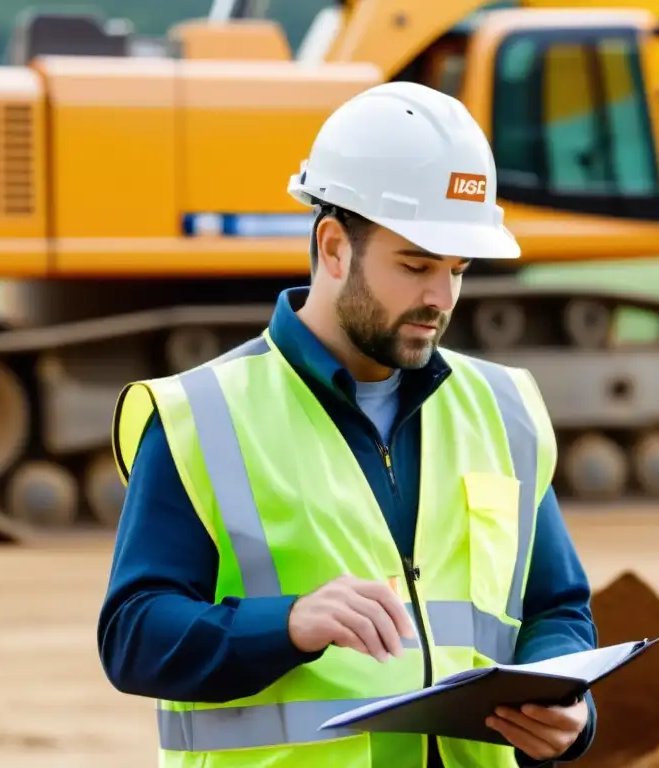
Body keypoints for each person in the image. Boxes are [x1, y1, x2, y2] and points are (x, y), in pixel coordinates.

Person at [98, 81, 599, 768]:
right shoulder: (202, 415)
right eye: (416, 264)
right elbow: (133, 636)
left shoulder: (503, 408)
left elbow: (557, 609)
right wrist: (289, 623)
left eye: (457, 269)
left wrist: (567, 703)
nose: (440, 297)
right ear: (334, 247)